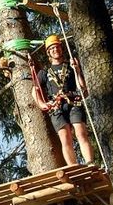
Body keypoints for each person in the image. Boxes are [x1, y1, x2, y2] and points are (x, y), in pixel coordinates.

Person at [31, 34, 94, 166]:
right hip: (57, 107)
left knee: (81, 133)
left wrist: (77, 70)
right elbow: (35, 89)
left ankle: (90, 162)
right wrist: (42, 104)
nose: (55, 50)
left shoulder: (71, 66)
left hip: (73, 102)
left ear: (61, 49)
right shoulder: (44, 73)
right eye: (52, 48)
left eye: (57, 47)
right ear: (48, 52)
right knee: (65, 139)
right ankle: (73, 167)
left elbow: (82, 87)